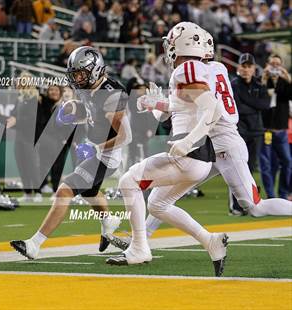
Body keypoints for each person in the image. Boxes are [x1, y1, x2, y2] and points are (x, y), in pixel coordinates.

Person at [108, 30, 292, 255]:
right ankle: (140, 240)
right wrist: (159, 105)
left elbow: (206, 107)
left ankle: (140, 241)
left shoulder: (193, 70)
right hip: (209, 144)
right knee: (161, 198)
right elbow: (191, 103)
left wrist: (174, 119)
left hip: (222, 144)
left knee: (255, 207)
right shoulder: (215, 68)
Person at [106, 22, 228, 277]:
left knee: (129, 181)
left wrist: (188, 141)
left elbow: (212, 109)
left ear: (179, 44)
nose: (168, 49)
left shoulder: (185, 69)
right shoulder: (198, 69)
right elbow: (184, 106)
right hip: (200, 159)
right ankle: (210, 241)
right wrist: (156, 104)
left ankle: (139, 248)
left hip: (189, 153)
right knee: (158, 204)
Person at [10, 46, 131, 259]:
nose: (77, 78)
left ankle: (34, 244)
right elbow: (92, 112)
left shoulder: (111, 93)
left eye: (80, 73)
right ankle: (108, 221)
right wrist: (74, 109)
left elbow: (125, 136)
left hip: (106, 156)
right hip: (97, 152)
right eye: (74, 74)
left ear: (94, 70)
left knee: (64, 191)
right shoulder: (87, 88)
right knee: (89, 192)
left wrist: (96, 148)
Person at [7, 71, 44, 203]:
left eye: (26, 80)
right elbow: (13, 114)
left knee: (32, 165)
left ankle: (38, 192)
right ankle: (28, 193)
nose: (24, 82)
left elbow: (33, 119)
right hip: (19, 137)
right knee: (21, 164)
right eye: (22, 80)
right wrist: (10, 119)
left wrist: (16, 121)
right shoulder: (19, 98)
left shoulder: (36, 97)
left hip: (31, 137)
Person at [231, 53, 270, 174]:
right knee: (238, 167)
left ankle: (249, 193)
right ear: (238, 68)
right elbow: (237, 108)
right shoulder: (233, 84)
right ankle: (236, 194)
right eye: (243, 66)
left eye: (249, 66)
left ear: (254, 68)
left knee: (251, 167)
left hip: (256, 131)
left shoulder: (260, 84)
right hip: (239, 131)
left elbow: (265, 105)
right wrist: (256, 106)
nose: (246, 69)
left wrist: (246, 100)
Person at [260, 54, 292, 199]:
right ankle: (271, 195)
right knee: (267, 165)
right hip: (266, 130)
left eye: (277, 64)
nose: (274, 66)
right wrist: (264, 78)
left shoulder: (284, 83)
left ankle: (283, 193)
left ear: (281, 66)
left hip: (281, 130)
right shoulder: (262, 82)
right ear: (267, 64)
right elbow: (258, 97)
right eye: (272, 63)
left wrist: (288, 77)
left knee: (287, 162)